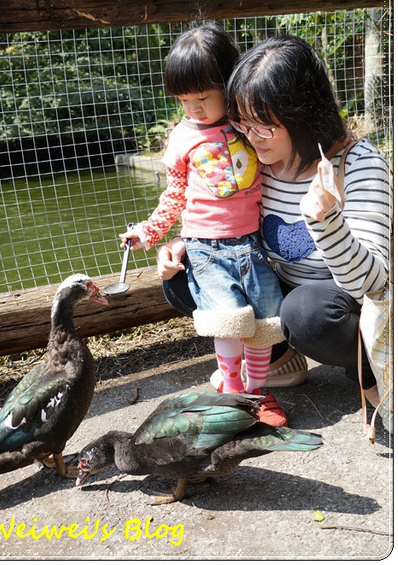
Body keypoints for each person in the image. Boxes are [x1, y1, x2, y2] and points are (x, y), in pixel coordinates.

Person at [157, 34, 391, 413]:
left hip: (341, 301)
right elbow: (227, 216)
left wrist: (326, 222)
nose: (250, 138)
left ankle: (369, 371)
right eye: (242, 123)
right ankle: (280, 357)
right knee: (186, 276)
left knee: (306, 313)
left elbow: (372, 283)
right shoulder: (259, 159)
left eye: (262, 126)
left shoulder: (358, 165)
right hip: (280, 289)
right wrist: (192, 241)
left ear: (303, 114)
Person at [120, 23, 287, 426]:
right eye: (184, 100)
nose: (193, 108)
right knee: (226, 320)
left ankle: (258, 391)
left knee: (264, 319)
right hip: (207, 248)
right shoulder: (183, 137)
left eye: (202, 98)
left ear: (227, 85)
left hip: (253, 243)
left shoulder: (246, 123)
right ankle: (232, 393)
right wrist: (149, 231)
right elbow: (175, 194)